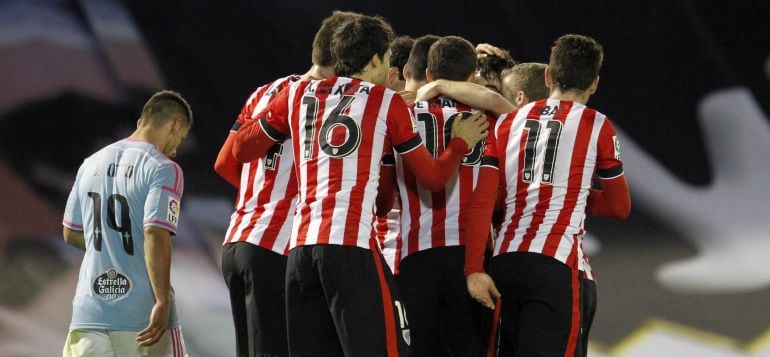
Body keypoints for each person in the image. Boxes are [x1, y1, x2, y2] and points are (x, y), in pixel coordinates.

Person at [232, 15, 489, 357]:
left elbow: (240, 149)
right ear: (375, 60)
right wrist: (458, 144)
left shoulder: (296, 94)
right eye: (386, 59)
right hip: (350, 246)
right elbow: (433, 179)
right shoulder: (385, 101)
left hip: (300, 252)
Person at [464, 34, 631, 356]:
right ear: (594, 84)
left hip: (504, 265)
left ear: (548, 76)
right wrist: (576, 190)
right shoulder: (597, 125)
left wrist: (474, 269)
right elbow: (619, 207)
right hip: (557, 265)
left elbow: (484, 202)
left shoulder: (506, 124)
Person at [212, 10, 362, 357]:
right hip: (277, 247)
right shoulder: (326, 99)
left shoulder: (265, 92)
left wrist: (262, 193)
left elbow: (224, 162)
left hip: (237, 240)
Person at [388, 35, 497, 356]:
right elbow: (518, 111)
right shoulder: (489, 119)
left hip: (415, 257)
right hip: (472, 258)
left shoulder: (400, 115)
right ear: (472, 77)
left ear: (429, 74)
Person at [62, 90, 192, 357]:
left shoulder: (90, 163)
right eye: (182, 137)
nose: (177, 148)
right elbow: (155, 233)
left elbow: (71, 232)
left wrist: (112, 251)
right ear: (176, 124)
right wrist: (163, 301)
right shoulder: (163, 168)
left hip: (89, 315)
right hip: (141, 317)